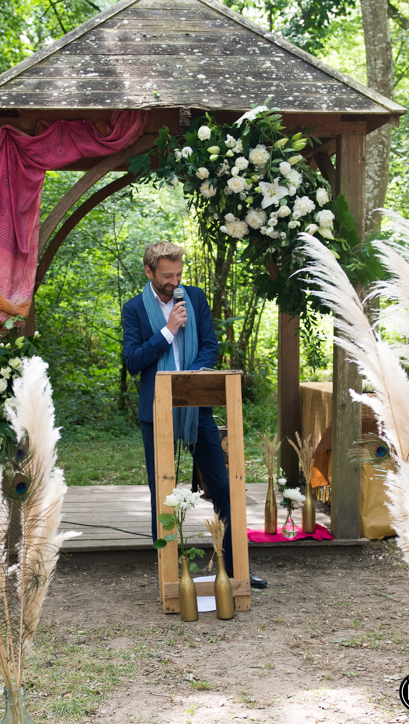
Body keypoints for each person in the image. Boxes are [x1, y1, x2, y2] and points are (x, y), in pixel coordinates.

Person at [122, 240, 267, 588]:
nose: (174, 282)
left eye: (178, 274)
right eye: (167, 276)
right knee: (162, 492)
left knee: (222, 487)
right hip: (156, 410)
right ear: (149, 272)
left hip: (196, 406)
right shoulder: (134, 309)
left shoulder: (195, 298)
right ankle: (170, 575)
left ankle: (235, 567)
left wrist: (191, 378)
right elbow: (134, 361)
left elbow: (209, 347)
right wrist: (168, 330)